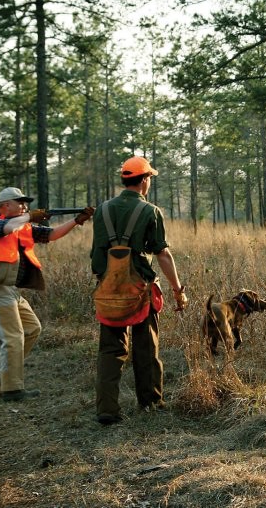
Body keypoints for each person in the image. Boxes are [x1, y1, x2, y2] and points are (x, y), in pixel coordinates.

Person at [0, 187, 94, 402]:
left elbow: (51, 234)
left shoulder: (23, 225)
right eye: (20, 203)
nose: (25, 206)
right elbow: (6, 227)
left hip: (8, 289)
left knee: (32, 328)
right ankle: (11, 389)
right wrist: (30, 216)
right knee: (13, 337)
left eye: (26, 204)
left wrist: (76, 220)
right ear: (6, 205)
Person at [91, 155, 187, 425]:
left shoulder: (102, 210)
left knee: (110, 350)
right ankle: (151, 403)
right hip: (139, 289)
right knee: (146, 348)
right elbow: (163, 255)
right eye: (149, 179)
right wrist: (178, 290)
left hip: (108, 287)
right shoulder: (150, 211)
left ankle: (107, 410)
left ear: (125, 179)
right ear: (144, 180)